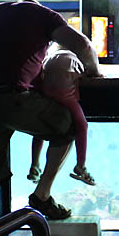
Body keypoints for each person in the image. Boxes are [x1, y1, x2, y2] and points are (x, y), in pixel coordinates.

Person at [0, 0, 100, 236]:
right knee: (67, 126)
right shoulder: (42, 15)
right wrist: (94, 72)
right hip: (13, 98)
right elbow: (83, 45)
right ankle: (41, 195)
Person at [27, 44, 95, 186]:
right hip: (65, 96)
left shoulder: (49, 57)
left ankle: (34, 164)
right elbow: (90, 73)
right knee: (82, 126)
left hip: (46, 94)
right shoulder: (75, 58)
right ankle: (81, 165)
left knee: (40, 129)